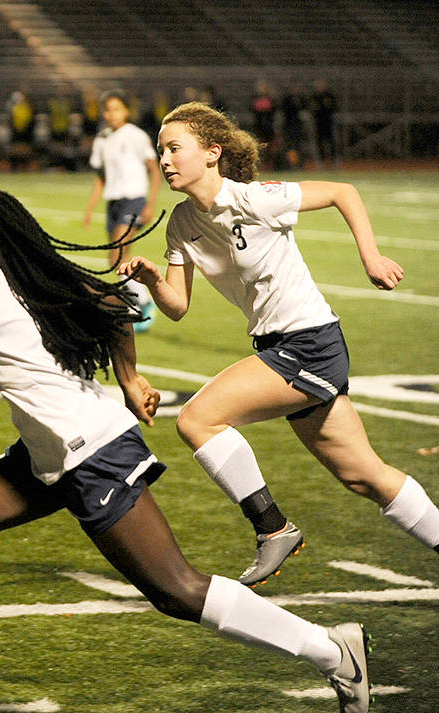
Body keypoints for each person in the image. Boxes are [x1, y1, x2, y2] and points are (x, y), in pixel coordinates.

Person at [0, 174, 372, 713]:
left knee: (176, 589)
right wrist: (129, 379)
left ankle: (332, 650)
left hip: (90, 452)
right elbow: (112, 305)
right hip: (53, 452)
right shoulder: (0, 261)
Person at [119, 102, 439, 588]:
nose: (164, 160)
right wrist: (152, 279)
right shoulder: (182, 223)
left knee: (197, 418)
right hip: (283, 345)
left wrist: (370, 256)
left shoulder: (254, 199)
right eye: (161, 150)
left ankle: (273, 529)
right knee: (365, 476)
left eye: (174, 149)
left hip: (308, 342)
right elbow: (178, 305)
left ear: (212, 153)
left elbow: (341, 191)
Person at [83, 90, 160, 331]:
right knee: (116, 258)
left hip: (134, 199)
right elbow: (101, 178)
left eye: (116, 109)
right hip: (114, 202)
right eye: (107, 109)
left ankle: (144, 302)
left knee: (119, 247)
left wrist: (150, 204)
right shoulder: (102, 138)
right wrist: (89, 209)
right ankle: (137, 298)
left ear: (126, 110)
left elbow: (154, 170)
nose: (111, 114)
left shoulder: (136, 136)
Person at [311, 78, 339, 169]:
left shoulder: (329, 95)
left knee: (332, 143)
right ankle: (321, 163)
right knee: (320, 143)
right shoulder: (314, 96)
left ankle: (334, 162)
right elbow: (312, 109)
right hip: (318, 123)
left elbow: (334, 107)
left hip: (329, 123)